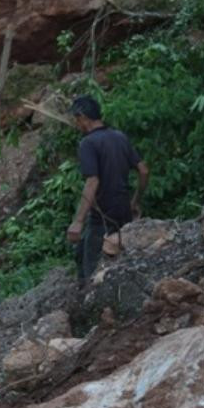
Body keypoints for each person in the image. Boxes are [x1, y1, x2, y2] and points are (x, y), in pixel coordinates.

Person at [66, 95, 149, 284]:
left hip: (101, 216)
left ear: (83, 117)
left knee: (91, 270)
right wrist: (136, 201)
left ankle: (92, 305)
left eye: (76, 119)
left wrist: (77, 221)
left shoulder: (88, 143)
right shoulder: (119, 137)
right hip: (123, 213)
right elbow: (143, 171)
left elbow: (92, 181)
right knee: (85, 254)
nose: (76, 124)